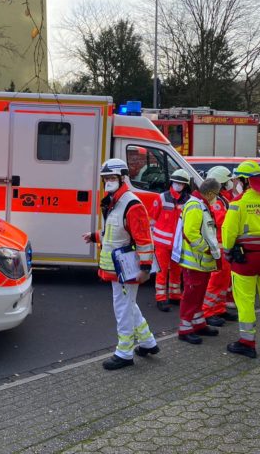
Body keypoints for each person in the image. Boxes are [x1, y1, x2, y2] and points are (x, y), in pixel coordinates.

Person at [83, 158, 159, 370]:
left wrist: (145, 268)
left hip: (128, 269)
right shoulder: (114, 201)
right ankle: (148, 342)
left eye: (112, 177)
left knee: (123, 307)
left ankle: (124, 353)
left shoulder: (131, 204)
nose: (108, 181)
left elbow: (144, 239)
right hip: (117, 269)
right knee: (128, 304)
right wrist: (95, 236)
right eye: (105, 178)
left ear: (122, 178)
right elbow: (115, 231)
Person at [221, 160, 260, 359]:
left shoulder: (237, 204)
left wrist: (227, 251)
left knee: (245, 301)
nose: (237, 183)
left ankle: (247, 343)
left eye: (239, 179)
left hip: (244, 259)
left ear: (245, 181)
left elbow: (228, 232)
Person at [172, 178, 222, 344]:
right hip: (195, 261)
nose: (216, 197)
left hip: (201, 261)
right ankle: (185, 328)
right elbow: (190, 233)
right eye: (215, 194)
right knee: (191, 294)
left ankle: (198, 322)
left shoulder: (201, 204)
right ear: (209, 193)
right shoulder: (195, 206)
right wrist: (206, 249)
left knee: (198, 293)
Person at [152, 169, 193, 311]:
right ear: (171, 182)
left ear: (185, 185)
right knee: (161, 271)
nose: (178, 185)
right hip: (162, 243)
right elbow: (153, 219)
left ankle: (175, 296)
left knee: (177, 271)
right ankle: (161, 298)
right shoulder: (162, 198)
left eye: (181, 183)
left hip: (178, 243)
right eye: (176, 182)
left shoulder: (189, 201)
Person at [201, 166, 238, 326]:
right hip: (219, 246)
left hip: (224, 245)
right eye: (228, 180)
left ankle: (219, 309)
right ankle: (207, 312)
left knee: (224, 281)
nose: (231, 183)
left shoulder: (223, 198)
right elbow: (221, 221)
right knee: (216, 281)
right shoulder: (216, 201)